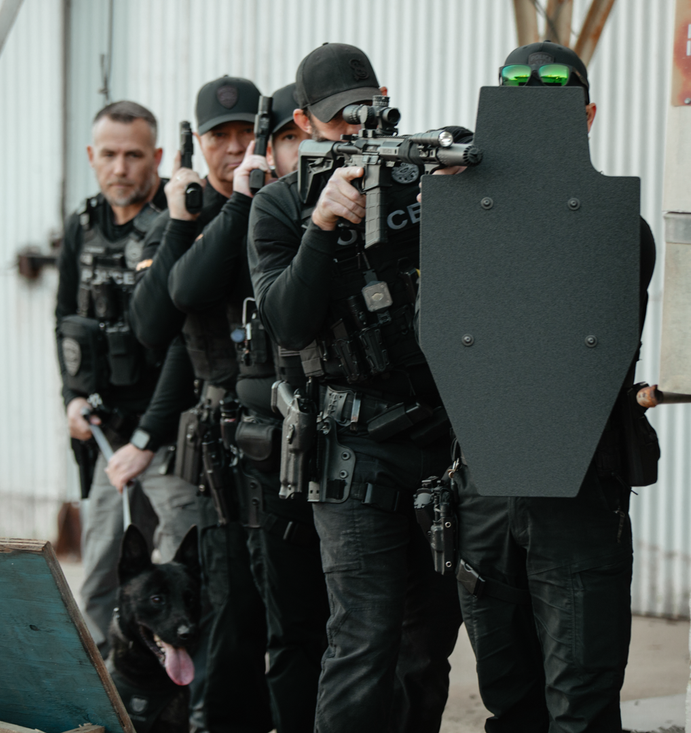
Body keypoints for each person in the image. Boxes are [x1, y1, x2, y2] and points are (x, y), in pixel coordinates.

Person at [247, 43, 463, 733]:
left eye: (365, 113)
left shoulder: (422, 176)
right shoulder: (281, 207)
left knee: (428, 647)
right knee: (363, 639)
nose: (354, 131)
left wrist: (452, 211)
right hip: (352, 446)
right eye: (338, 121)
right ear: (306, 123)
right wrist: (323, 222)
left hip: (438, 441)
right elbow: (286, 318)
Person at [451, 41, 657, 732]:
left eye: (556, 105)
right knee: (510, 699)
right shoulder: (457, 216)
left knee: (581, 702)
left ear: (589, 114)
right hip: (487, 489)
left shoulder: (619, 229)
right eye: (520, 104)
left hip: (579, 486)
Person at [130, 75, 274, 733]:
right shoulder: (180, 219)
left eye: (249, 133)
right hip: (221, 452)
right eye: (221, 136)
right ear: (197, 141)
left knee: (294, 612)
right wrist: (183, 223)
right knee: (231, 612)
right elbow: (157, 330)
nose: (235, 148)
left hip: (286, 432)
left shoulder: (280, 210)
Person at [55, 100, 199, 658]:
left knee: (179, 572)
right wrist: (70, 398)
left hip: (168, 431)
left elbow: (189, 341)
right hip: (108, 434)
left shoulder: (178, 222)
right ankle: (102, 687)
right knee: (98, 572)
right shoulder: (82, 226)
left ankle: (184, 692)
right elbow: (64, 318)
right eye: (109, 155)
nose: (121, 167)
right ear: (92, 157)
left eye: (134, 155)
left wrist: (150, 438)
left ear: (157, 157)